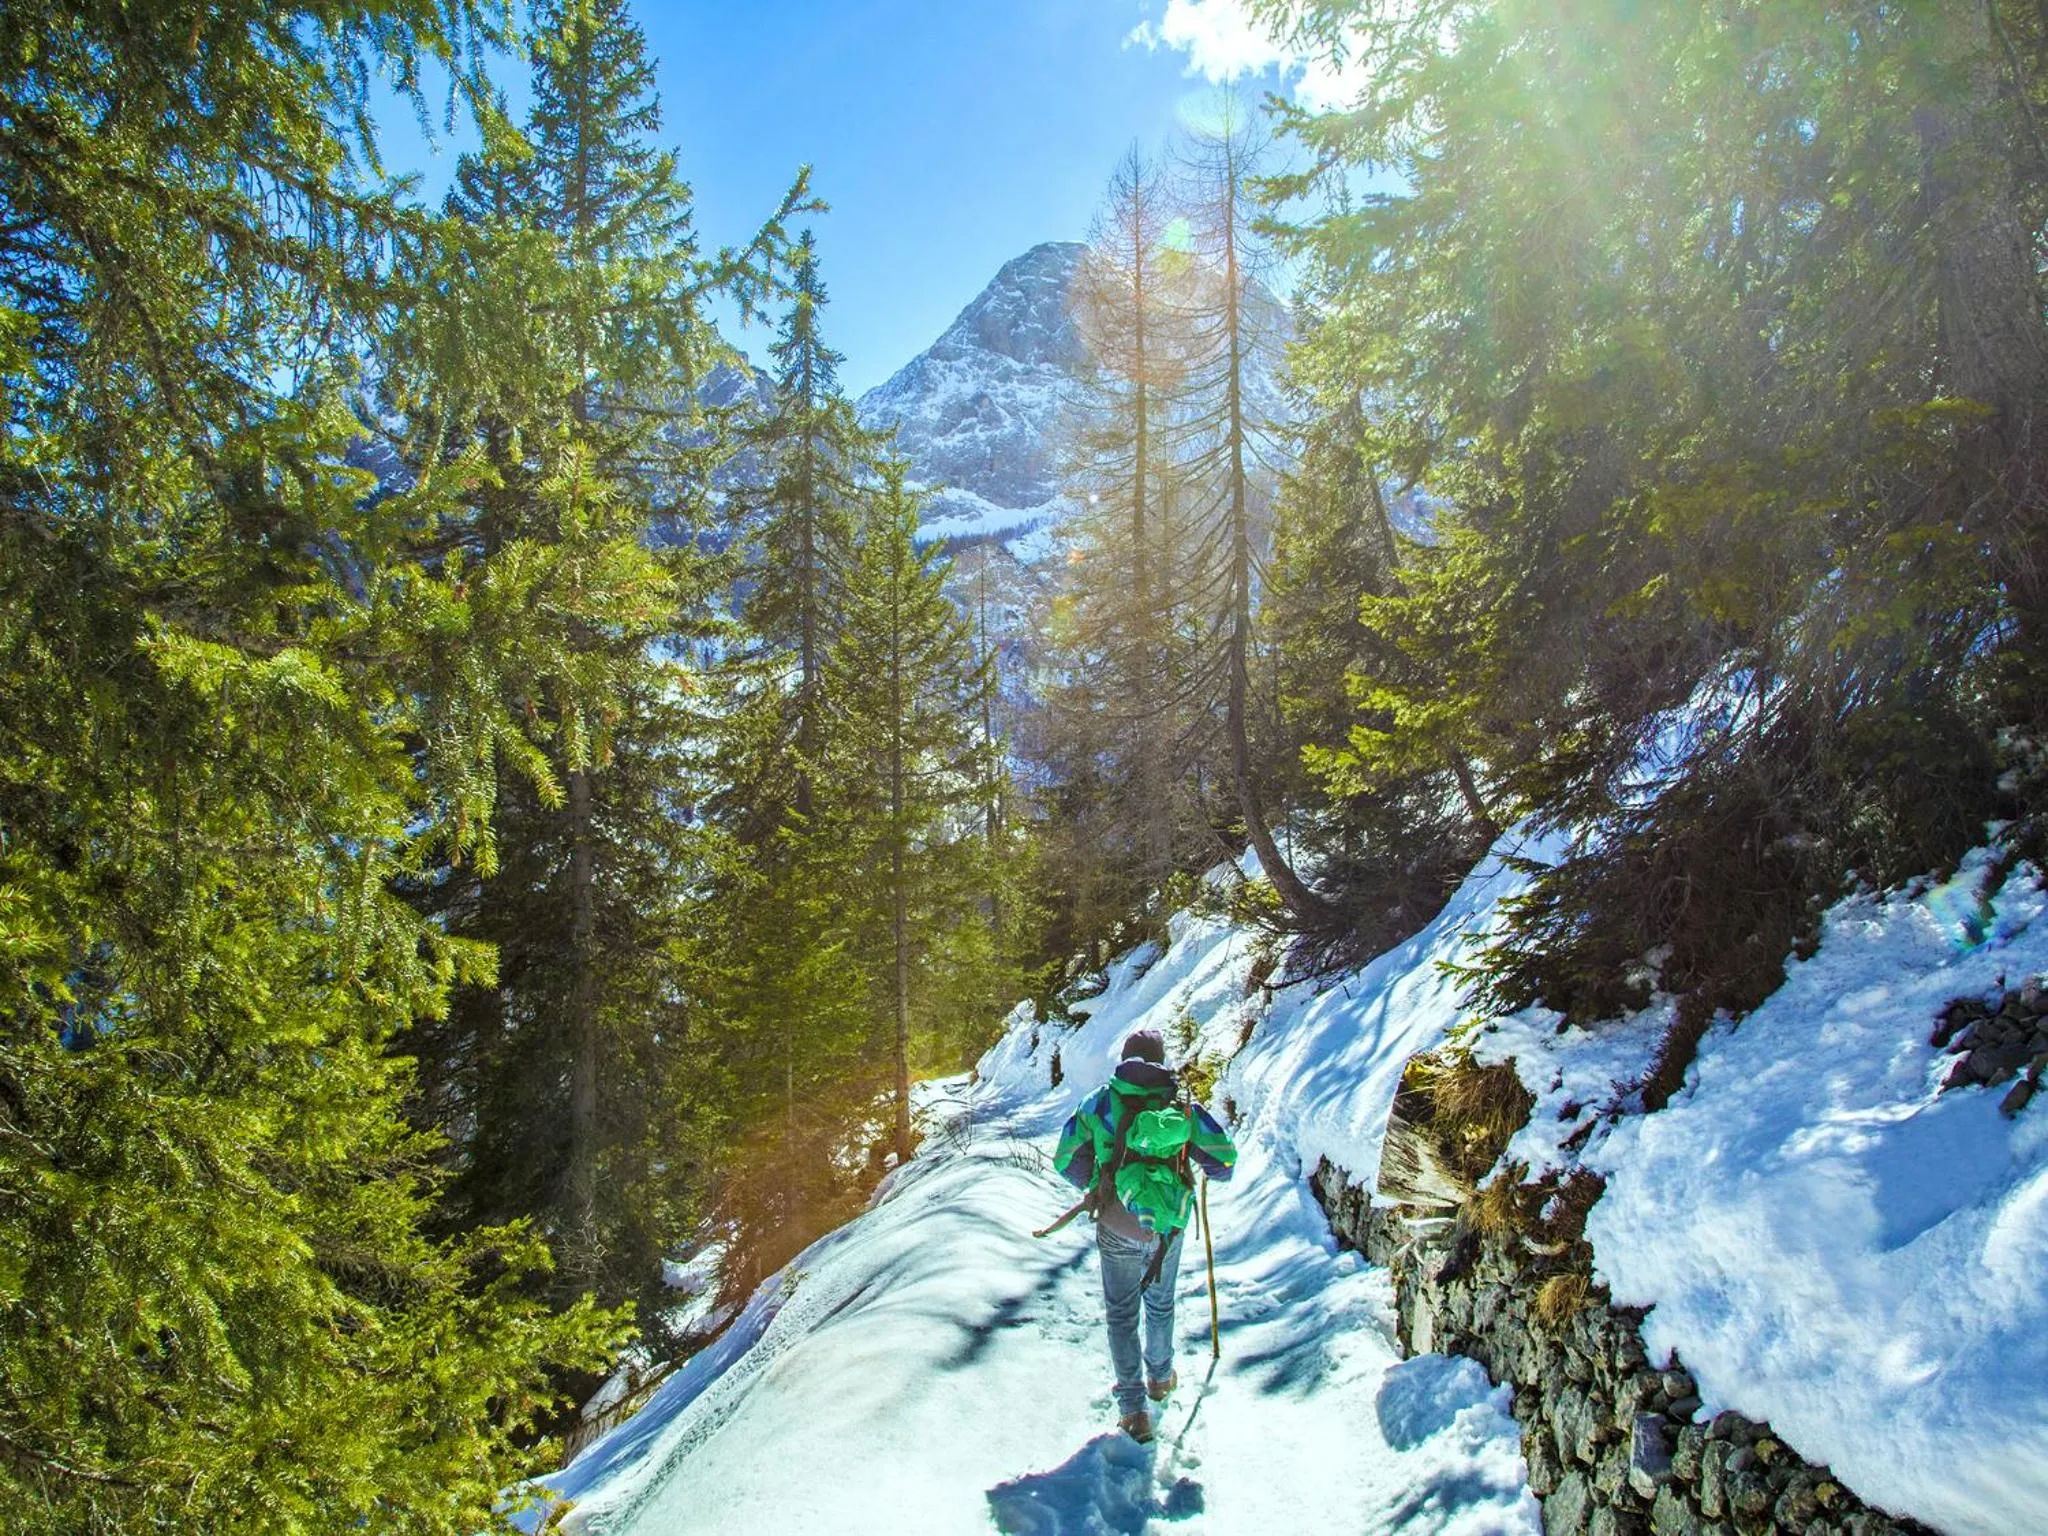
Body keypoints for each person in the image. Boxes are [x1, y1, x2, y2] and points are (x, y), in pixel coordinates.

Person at [1052, 1027, 1236, 1443]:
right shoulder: (1182, 1109)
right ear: (1161, 1059)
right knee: (1160, 1302)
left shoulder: (1098, 1103)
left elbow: (1064, 1159)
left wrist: (1096, 1183)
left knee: (1121, 1312)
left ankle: (1133, 1409)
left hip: (1116, 1222)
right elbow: (1224, 1163)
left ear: (1124, 1059)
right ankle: (1159, 1377)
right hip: (1167, 1225)